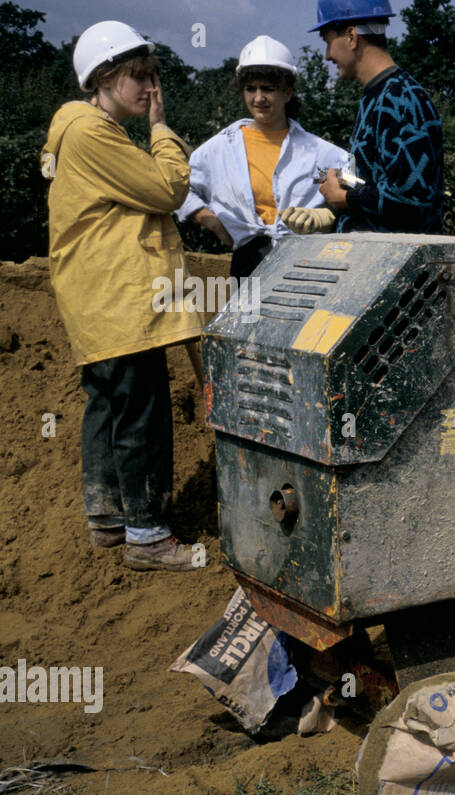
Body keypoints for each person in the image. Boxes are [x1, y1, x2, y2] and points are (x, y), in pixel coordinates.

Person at [41, 20, 204, 570]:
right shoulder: (91, 133)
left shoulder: (80, 132)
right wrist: (161, 129)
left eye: (153, 76)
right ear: (102, 77)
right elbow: (168, 189)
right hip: (121, 302)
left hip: (99, 304)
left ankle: (109, 519)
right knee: (142, 414)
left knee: (107, 406)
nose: (150, 88)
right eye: (138, 76)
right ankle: (149, 537)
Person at [180, 35, 348, 277]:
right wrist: (212, 222)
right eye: (251, 89)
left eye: (268, 89)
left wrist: (329, 215)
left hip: (306, 263)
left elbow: (353, 186)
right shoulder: (221, 149)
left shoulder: (317, 153)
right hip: (247, 262)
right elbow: (181, 187)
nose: (258, 98)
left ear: (287, 93)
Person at [285, 0, 443, 235]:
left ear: (351, 37)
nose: (327, 56)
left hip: (404, 264)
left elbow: (414, 197)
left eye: (328, 43)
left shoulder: (401, 99)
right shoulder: (374, 97)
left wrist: (347, 197)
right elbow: (377, 178)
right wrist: (336, 189)